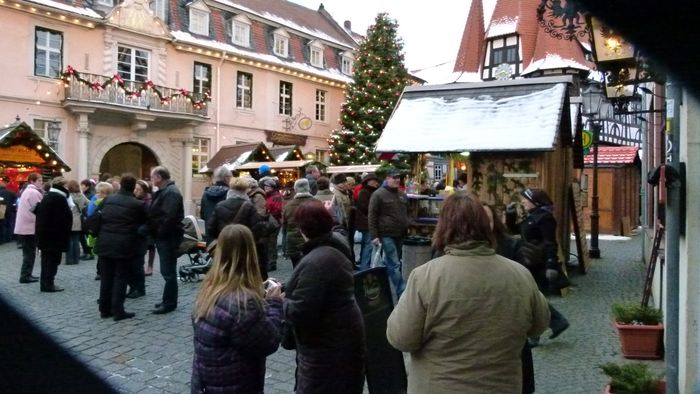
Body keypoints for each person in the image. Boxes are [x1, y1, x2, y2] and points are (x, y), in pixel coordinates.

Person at [386, 192, 550, 393]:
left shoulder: (426, 277)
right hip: (501, 385)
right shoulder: (519, 275)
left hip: (439, 386)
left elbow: (401, 337)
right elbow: (539, 324)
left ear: (444, 226)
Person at [283, 200, 366, 393]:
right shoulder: (335, 244)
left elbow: (301, 311)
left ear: (303, 229)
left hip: (327, 353)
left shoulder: (318, 261)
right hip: (341, 346)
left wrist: (278, 301)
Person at [191, 224, 283, 393]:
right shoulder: (243, 304)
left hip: (207, 383)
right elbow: (268, 342)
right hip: (236, 385)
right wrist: (275, 304)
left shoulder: (209, 289)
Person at [506, 188, 571, 343]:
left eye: (525, 199)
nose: (522, 202)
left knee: (532, 297)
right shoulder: (533, 216)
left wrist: (551, 265)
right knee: (534, 297)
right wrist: (510, 214)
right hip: (528, 261)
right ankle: (556, 323)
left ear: (535, 201)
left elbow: (550, 243)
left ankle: (536, 334)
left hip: (538, 263)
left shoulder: (545, 218)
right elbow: (515, 230)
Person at [96, 175, 147, 321]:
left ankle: (104, 309)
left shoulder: (108, 200)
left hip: (105, 242)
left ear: (121, 186)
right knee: (120, 277)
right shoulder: (137, 204)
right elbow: (147, 223)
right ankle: (118, 311)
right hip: (124, 245)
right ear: (132, 187)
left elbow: (96, 217)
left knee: (106, 277)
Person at [148, 166, 184, 315]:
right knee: (167, 271)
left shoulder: (171, 193)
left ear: (159, 177)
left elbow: (168, 218)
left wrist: (160, 233)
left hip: (168, 237)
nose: (151, 180)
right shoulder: (166, 191)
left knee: (168, 271)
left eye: (152, 177)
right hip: (165, 236)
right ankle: (167, 300)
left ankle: (169, 303)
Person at [368, 169, 408, 298]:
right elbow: (372, 215)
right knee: (394, 263)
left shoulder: (402, 195)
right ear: (387, 178)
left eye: (398, 178)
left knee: (394, 262)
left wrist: (408, 222)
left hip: (400, 233)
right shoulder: (378, 194)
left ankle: (385, 285)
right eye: (394, 177)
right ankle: (401, 292)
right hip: (386, 234)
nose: (397, 180)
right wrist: (374, 235)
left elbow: (407, 211)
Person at [35, 177, 73, 292]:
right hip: (54, 237)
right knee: (52, 261)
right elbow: (64, 218)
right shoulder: (58, 198)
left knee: (46, 261)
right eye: (66, 186)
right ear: (62, 186)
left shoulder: (49, 196)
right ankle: (48, 284)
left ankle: (45, 283)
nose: (67, 189)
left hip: (46, 235)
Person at [14, 173, 43, 284]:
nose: (41, 182)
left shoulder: (27, 191)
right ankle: (25, 276)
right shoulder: (33, 192)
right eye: (39, 180)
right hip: (29, 227)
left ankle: (27, 274)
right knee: (29, 253)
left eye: (41, 180)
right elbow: (39, 210)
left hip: (24, 227)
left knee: (28, 252)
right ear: (32, 181)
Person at [282, 179, 315, 268]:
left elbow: (284, 225)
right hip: (312, 240)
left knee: (296, 268)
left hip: (294, 242)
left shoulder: (288, 205)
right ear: (308, 188)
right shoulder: (316, 203)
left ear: (295, 189)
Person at [87, 182, 114, 280]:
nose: (97, 194)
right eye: (97, 192)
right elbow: (90, 213)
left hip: (103, 229)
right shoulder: (96, 200)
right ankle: (101, 271)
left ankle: (102, 271)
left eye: (100, 192)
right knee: (101, 251)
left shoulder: (101, 201)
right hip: (100, 229)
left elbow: (90, 213)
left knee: (102, 252)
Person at [199, 166, 232, 243]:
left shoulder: (206, 193)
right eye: (230, 177)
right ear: (226, 178)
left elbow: (202, 215)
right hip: (225, 234)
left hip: (210, 234)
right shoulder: (230, 193)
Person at [355, 173, 380, 270]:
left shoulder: (370, 192)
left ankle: (364, 265)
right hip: (366, 223)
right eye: (373, 181)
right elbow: (364, 208)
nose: (375, 182)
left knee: (366, 245)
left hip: (367, 222)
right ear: (367, 181)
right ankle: (364, 267)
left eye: (375, 181)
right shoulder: (365, 192)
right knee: (368, 246)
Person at [260, 177, 283, 272]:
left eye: (267, 186)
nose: (265, 188)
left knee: (272, 243)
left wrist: (268, 212)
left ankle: (272, 262)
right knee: (268, 242)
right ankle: (269, 261)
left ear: (273, 187)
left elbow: (278, 209)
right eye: (265, 186)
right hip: (269, 222)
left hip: (273, 222)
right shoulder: (267, 196)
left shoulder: (276, 197)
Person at [134, 179, 156, 277]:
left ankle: (150, 266)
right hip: (137, 226)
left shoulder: (150, 199)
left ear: (144, 190)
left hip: (148, 226)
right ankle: (140, 266)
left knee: (150, 246)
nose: (136, 191)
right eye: (135, 189)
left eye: (138, 189)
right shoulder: (133, 199)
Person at [65, 180, 89, 265]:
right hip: (78, 220)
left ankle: (69, 260)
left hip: (68, 219)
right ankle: (76, 260)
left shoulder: (67, 196)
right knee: (76, 241)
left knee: (69, 240)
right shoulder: (81, 195)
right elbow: (88, 203)